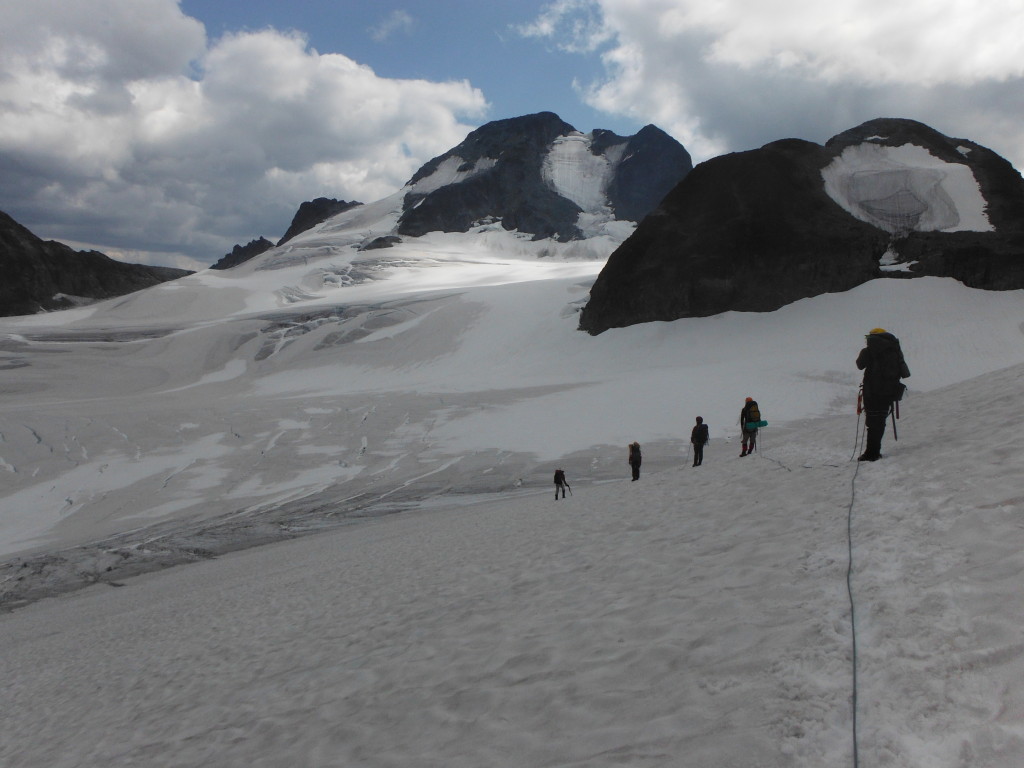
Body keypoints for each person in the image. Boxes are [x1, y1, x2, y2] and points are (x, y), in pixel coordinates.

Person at [856, 328, 911, 461]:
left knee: (872, 421)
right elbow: (905, 372)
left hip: (871, 392)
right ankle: (874, 452)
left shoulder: (868, 351)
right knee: (880, 420)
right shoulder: (895, 350)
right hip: (888, 392)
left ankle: (871, 453)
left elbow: (859, 365)